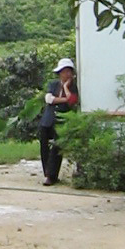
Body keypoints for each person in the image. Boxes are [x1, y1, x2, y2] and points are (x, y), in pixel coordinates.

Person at [38, 56, 79, 186]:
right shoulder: (53, 84)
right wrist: (65, 99)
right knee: (44, 146)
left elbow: (72, 101)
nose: (66, 74)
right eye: (64, 71)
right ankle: (47, 173)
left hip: (61, 121)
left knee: (57, 147)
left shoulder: (73, 87)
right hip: (48, 119)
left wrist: (66, 88)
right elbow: (49, 99)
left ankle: (51, 176)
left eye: (68, 71)